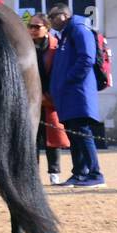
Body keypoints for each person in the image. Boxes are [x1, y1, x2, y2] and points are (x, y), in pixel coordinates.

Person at [47, 3, 104, 188]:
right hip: (69, 93)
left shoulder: (79, 29)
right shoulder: (66, 33)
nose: (50, 20)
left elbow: (87, 57)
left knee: (83, 133)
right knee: (75, 134)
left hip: (78, 92)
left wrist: (69, 80)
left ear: (63, 15)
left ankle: (95, 174)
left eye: (52, 16)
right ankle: (79, 174)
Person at [27, 13, 69, 185]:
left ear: (47, 28)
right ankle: (31, 174)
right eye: (30, 26)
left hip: (50, 99)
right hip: (30, 99)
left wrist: (48, 95)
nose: (32, 30)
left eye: (37, 26)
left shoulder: (56, 47)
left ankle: (54, 172)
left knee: (53, 137)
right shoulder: (24, 46)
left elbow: (59, 73)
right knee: (30, 139)